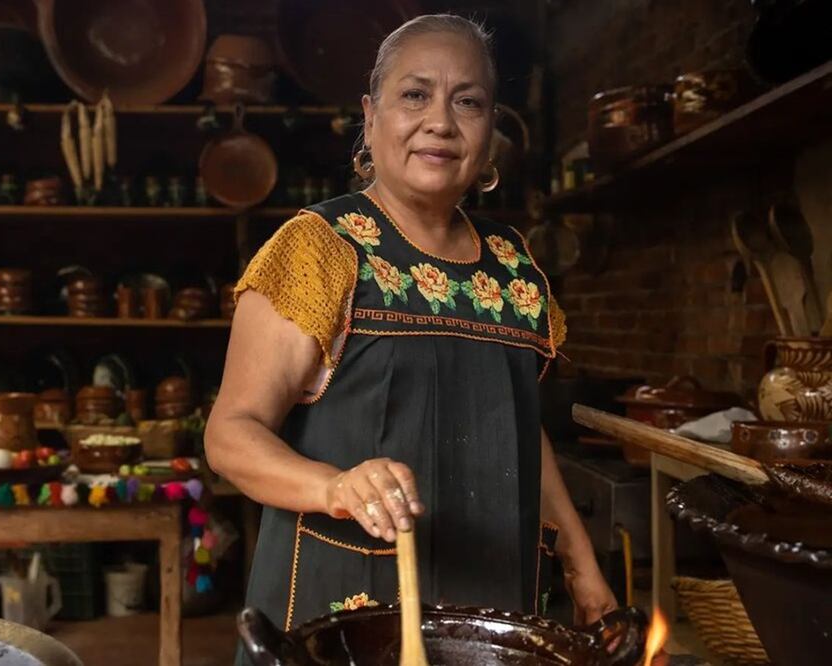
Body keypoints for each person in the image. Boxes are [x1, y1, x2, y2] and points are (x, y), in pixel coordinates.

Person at [205, 13, 616, 658]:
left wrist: (580, 563)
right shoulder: (320, 247)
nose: (441, 122)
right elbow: (230, 434)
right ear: (371, 118)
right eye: (415, 94)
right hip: (346, 601)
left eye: (468, 102)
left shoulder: (512, 265)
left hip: (493, 598)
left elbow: (518, 428)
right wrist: (334, 487)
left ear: (490, 129)